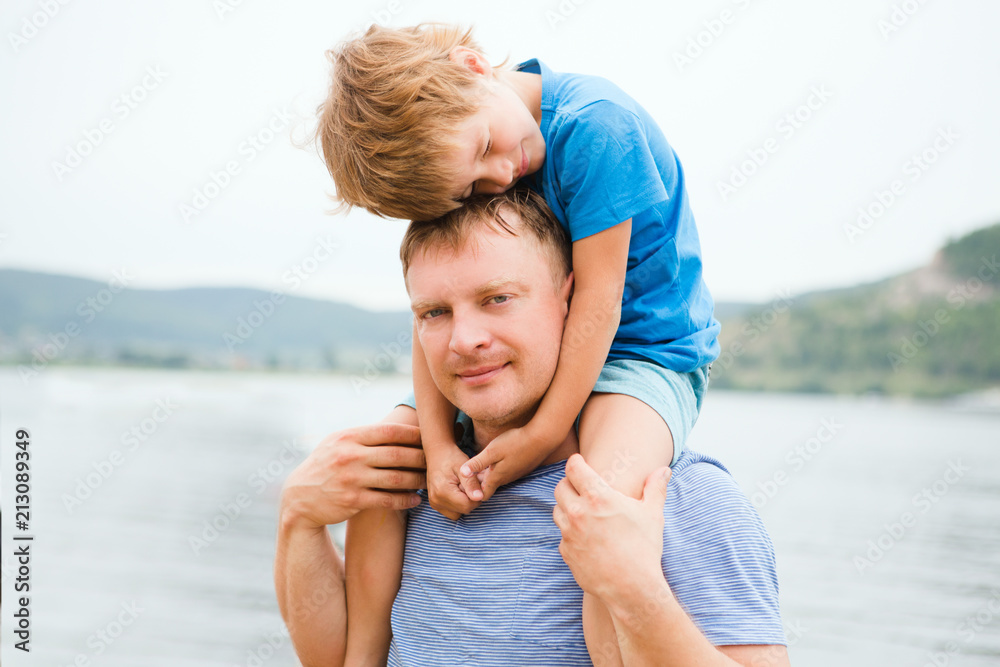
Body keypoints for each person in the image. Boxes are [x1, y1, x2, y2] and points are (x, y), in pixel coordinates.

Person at [317, 24, 721, 660]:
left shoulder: (597, 127)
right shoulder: (455, 159)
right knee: (389, 456)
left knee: (603, 506)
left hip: (643, 348)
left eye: (485, 148)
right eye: (472, 188)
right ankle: (364, 655)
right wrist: (437, 443)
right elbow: (432, 310)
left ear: (474, 65)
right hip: (539, 336)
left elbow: (598, 300)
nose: (501, 175)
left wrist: (538, 438)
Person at [274, 190, 788, 666]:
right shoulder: (408, 480)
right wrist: (299, 517)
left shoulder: (676, 495)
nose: (464, 339)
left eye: (498, 298)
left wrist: (635, 592)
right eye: (435, 312)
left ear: (570, 298)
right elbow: (339, 660)